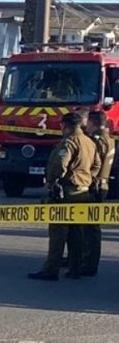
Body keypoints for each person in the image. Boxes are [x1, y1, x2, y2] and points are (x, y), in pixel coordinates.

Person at [28, 112, 99, 281]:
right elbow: (96, 165)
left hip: (66, 192)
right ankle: (75, 268)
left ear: (64, 126)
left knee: (58, 231)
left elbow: (59, 164)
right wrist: (87, 178)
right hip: (83, 191)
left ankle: (51, 270)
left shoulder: (69, 142)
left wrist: (52, 180)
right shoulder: (90, 142)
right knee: (76, 232)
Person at [81, 111, 114, 276]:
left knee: (90, 228)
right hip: (103, 183)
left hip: (95, 185)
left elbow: (93, 163)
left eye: (87, 122)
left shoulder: (96, 140)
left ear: (92, 122)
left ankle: (89, 263)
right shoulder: (109, 138)